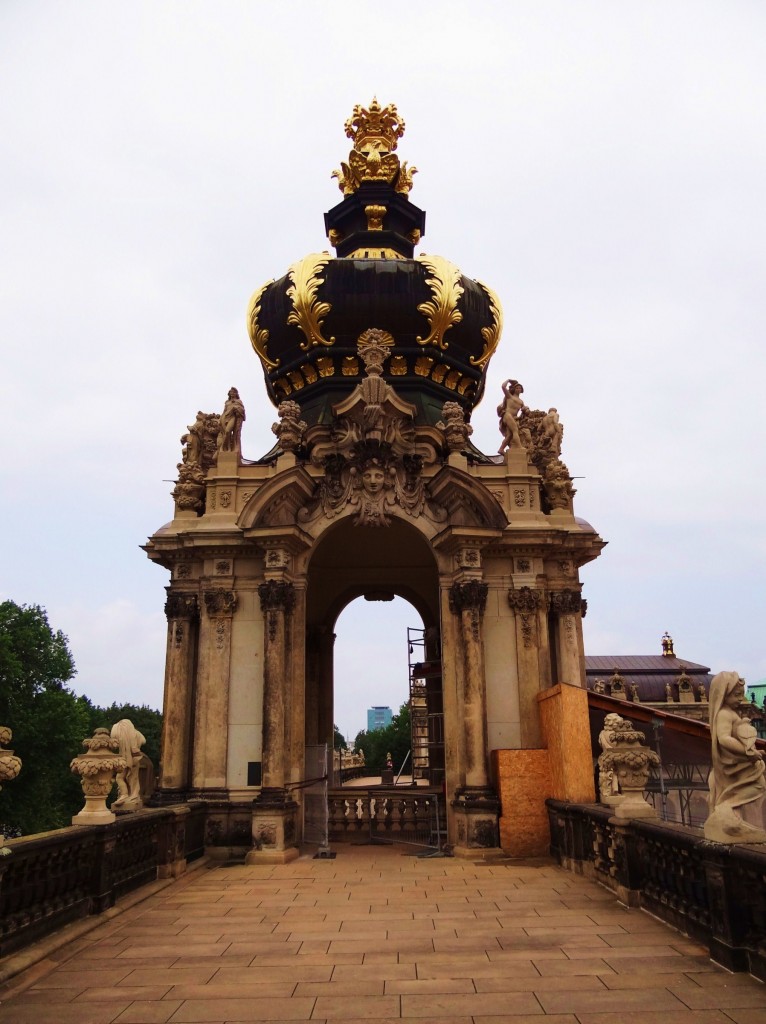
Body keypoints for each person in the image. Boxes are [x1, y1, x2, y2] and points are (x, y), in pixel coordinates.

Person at [704, 671, 766, 842]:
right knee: (758, 786)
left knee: (758, 785)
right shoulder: (724, 714)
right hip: (734, 764)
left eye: (742, 694)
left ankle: (732, 818)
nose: (741, 698)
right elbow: (723, 739)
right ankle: (725, 811)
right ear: (724, 694)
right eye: (737, 694)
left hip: (739, 763)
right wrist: (748, 752)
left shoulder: (731, 713)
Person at [497, 379, 527, 454]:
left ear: (521, 390)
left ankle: (501, 449)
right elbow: (503, 387)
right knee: (515, 430)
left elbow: (524, 413)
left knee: (510, 435)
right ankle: (519, 446)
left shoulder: (521, 401)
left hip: (513, 418)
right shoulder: (509, 396)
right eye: (517, 388)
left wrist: (525, 411)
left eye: (520, 388)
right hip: (507, 415)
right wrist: (508, 380)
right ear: (514, 389)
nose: (518, 389)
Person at [218, 387, 246, 452]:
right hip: (224, 418)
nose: (232, 394)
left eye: (233, 392)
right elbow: (224, 411)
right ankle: (228, 448)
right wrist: (220, 419)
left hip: (232, 417)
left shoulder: (239, 401)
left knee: (228, 431)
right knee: (226, 433)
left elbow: (242, 410)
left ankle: (223, 446)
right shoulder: (227, 402)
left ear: (236, 394)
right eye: (231, 392)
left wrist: (236, 407)